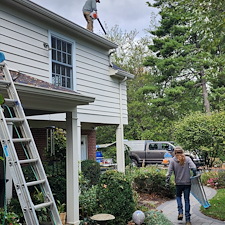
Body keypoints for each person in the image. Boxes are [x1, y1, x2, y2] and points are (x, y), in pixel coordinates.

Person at [166, 146, 197, 225]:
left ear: (175, 152)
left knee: (178, 197)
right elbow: (194, 167)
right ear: (182, 152)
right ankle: (188, 220)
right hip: (187, 183)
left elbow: (169, 173)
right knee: (187, 200)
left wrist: (167, 181)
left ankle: (180, 212)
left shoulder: (173, 160)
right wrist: (194, 174)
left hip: (178, 183)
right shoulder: (187, 159)